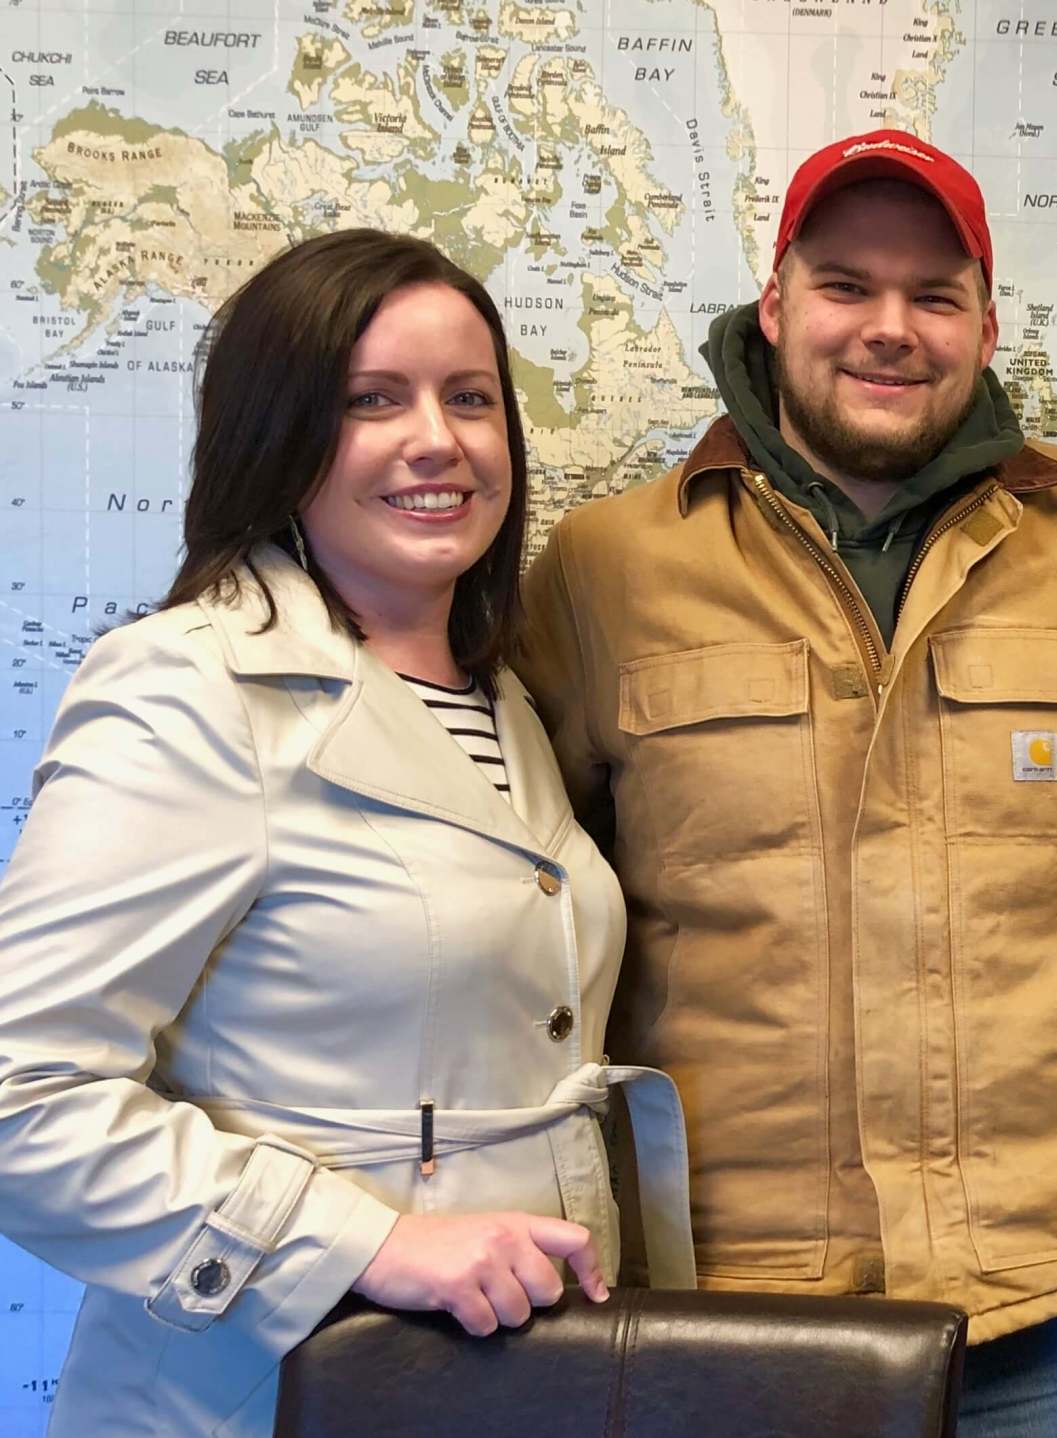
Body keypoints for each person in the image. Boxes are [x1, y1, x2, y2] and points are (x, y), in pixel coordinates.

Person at [514, 129, 1057, 1435]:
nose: (890, 328)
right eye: (846, 287)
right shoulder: (607, 570)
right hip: (729, 1295)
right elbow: (477, 836)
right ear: (774, 306)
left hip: (1049, 1293)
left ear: (986, 328)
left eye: (935, 295)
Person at [0, 230, 691, 1438]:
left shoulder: (501, 697)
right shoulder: (191, 689)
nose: (439, 439)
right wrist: (368, 1243)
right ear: (280, 436)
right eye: (373, 400)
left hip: (509, 1386)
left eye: (470, 398)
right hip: (262, 1396)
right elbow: (22, 1099)